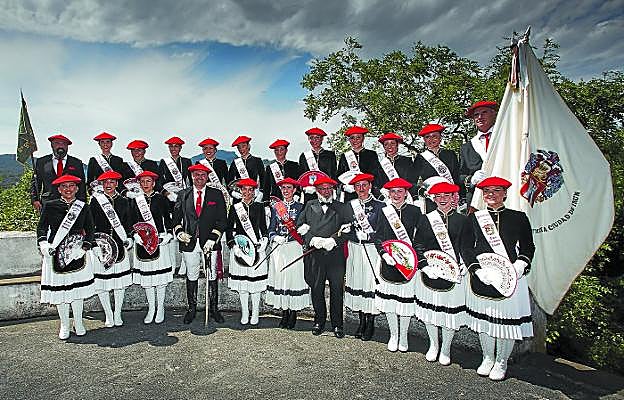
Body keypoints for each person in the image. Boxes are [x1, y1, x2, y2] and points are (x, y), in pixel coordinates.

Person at [465, 176, 535, 381]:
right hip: (484, 276)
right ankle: (487, 357)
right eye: (487, 191)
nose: (491, 195)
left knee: (505, 321)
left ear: (505, 193)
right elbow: (466, 247)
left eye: (496, 191)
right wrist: (476, 269)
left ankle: (501, 361)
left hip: (509, 277)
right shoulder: (474, 218)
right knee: (484, 319)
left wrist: (520, 265)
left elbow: (528, 247)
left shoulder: (518, 217)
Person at [413, 181, 473, 365]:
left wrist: (464, 263)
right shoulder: (426, 219)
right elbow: (419, 244)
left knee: (449, 313)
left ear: (454, 197)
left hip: (453, 273)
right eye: (438, 196)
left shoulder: (463, 220)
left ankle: (446, 348)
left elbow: (467, 246)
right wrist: (424, 266)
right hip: (431, 272)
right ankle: (433, 345)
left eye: (446, 195)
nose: (442, 199)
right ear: (433, 199)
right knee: (431, 310)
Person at [37, 174, 96, 339]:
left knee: (77, 291)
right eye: (64, 187)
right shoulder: (50, 206)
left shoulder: (83, 207)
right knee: (61, 292)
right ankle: (64, 324)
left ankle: (78, 322)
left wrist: (85, 247)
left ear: (77, 189)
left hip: (77, 254)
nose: (68, 189)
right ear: (59, 189)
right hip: (56, 254)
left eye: (71, 186)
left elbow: (90, 229)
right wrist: (44, 244)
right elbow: (41, 229)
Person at [296, 175, 350, 338]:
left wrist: (334, 240)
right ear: (317, 191)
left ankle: (337, 324)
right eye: (322, 189)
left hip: (335, 255)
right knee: (317, 288)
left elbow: (348, 228)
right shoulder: (310, 205)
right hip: (316, 255)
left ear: (332, 190)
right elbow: (300, 226)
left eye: (328, 189)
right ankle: (319, 320)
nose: (326, 192)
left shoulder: (342, 207)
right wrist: (312, 239)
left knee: (336, 290)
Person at [173, 163, 228, 324]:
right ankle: (191, 309)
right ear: (191, 176)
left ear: (207, 177)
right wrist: (179, 232)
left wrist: (213, 238)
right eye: (196, 175)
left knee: (211, 275)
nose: (199, 178)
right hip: (189, 242)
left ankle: (214, 310)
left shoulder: (216, 194)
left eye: (202, 175)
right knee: (192, 275)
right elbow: (175, 218)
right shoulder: (183, 194)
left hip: (210, 242)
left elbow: (222, 220)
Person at [373, 178, 422, 352]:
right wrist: (384, 253)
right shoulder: (383, 211)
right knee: (390, 302)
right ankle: (393, 334)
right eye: (393, 192)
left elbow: (420, 237)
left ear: (406, 193)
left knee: (405, 302)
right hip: (388, 261)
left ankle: (404, 336)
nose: (396, 195)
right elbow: (377, 236)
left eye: (399, 191)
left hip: (408, 262)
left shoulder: (415, 211)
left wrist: (416, 258)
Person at [89, 170, 133, 327]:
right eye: (105, 182)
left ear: (117, 184)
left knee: (119, 283)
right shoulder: (96, 201)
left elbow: (128, 223)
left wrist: (129, 237)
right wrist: (93, 244)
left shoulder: (123, 201)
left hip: (119, 245)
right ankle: (108, 314)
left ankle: (117, 313)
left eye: (112, 182)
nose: (109, 185)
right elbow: (90, 224)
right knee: (103, 284)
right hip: (102, 246)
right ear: (102, 184)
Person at [343, 173, 384, 341]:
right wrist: (349, 231)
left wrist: (371, 236)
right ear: (354, 188)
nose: (361, 189)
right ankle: (361, 321)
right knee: (358, 282)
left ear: (370, 186)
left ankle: (370, 322)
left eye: (364, 185)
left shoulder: (380, 206)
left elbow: (383, 231)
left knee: (369, 283)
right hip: (355, 249)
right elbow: (346, 226)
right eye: (357, 186)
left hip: (372, 250)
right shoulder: (350, 205)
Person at [129, 170, 173, 324]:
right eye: (142, 182)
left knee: (160, 279)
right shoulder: (136, 200)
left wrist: (168, 235)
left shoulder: (161, 199)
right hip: (142, 242)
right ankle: (151, 308)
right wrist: (134, 234)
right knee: (147, 279)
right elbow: (132, 221)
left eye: (148, 181)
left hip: (159, 240)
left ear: (154, 183)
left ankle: (160, 308)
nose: (145, 184)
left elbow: (168, 219)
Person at [265, 177, 309, 329]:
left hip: (294, 247)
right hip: (280, 248)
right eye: (283, 188)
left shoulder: (301, 207)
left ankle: (293, 313)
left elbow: (304, 227)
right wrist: (275, 237)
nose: (286, 191)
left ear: (294, 190)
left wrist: (304, 231)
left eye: (289, 188)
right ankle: (284, 312)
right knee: (282, 278)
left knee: (293, 279)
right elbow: (270, 228)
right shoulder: (276, 207)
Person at [226, 178, 269, 325]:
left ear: (254, 192)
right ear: (240, 191)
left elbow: (263, 228)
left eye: (250, 190)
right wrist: (233, 245)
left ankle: (255, 312)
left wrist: (264, 240)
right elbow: (228, 229)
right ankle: (245, 312)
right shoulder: (235, 207)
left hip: (256, 248)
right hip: (241, 248)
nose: (247, 192)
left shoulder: (259, 207)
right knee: (243, 284)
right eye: (244, 189)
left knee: (254, 284)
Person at [158, 136, 192, 274]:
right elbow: (159, 182)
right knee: (171, 234)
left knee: (185, 231)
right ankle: (172, 264)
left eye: (176, 146)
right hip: (168, 202)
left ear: (180, 148)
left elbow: (191, 182)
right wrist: (167, 194)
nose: (173, 149)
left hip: (184, 201)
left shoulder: (186, 161)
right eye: (171, 147)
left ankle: (184, 263)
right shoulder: (163, 162)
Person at [31, 134, 86, 211]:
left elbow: (82, 185)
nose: (60, 146)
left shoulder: (76, 163)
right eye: (57, 143)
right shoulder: (42, 162)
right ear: (51, 145)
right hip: (48, 203)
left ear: (67, 146)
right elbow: (36, 182)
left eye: (63, 144)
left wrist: (82, 202)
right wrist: (35, 200)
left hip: (71, 204)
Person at [413, 124, 460, 212]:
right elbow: (413, 180)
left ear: (440, 138)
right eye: (427, 137)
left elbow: (456, 176)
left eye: (434, 136)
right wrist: (421, 191)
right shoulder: (420, 158)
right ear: (424, 140)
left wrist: (457, 194)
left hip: (449, 196)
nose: (431, 139)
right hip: (431, 197)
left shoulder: (450, 154)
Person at [459, 101, 498, 208]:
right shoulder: (466, 147)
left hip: (506, 195)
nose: (480, 117)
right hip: (477, 200)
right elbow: (460, 176)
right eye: (476, 115)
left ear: (493, 113)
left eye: (484, 113)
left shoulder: (505, 137)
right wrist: (471, 179)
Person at [337, 126, 382, 202]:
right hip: (350, 194)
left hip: (368, 193)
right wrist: (344, 186)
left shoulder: (371, 154)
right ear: (349, 140)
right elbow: (339, 177)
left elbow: (376, 175)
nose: (355, 140)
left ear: (363, 138)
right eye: (352, 138)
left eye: (358, 137)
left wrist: (371, 186)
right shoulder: (344, 156)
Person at [298, 127, 337, 204]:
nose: (314, 140)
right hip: (310, 193)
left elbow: (334, 174)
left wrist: (333, 188)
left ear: (322, 139)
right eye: (311, 138)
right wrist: (304, 188)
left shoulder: (330, 155)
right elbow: (301, 176)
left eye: (317, 138)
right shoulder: (304, 156)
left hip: (326, 191)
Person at [376, 132, 418, 201]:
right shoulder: (379, 164)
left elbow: (412, 180)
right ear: (383, 147)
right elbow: (377, 184)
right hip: (386, 197)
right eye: (386, 144)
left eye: (392, 143)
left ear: (397, 144)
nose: (389, 146)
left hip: (405, 195)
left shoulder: (407, 161)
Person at [226, 135, 266, 202]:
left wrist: (261, 193)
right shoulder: (235, 163)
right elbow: (229, 181)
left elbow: (263, 179)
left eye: (243, 146)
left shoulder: (257, 161)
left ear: (248, 146)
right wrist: (232, 193)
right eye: (239, 147)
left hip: (254, 195)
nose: (241, 149)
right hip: (239, 196)